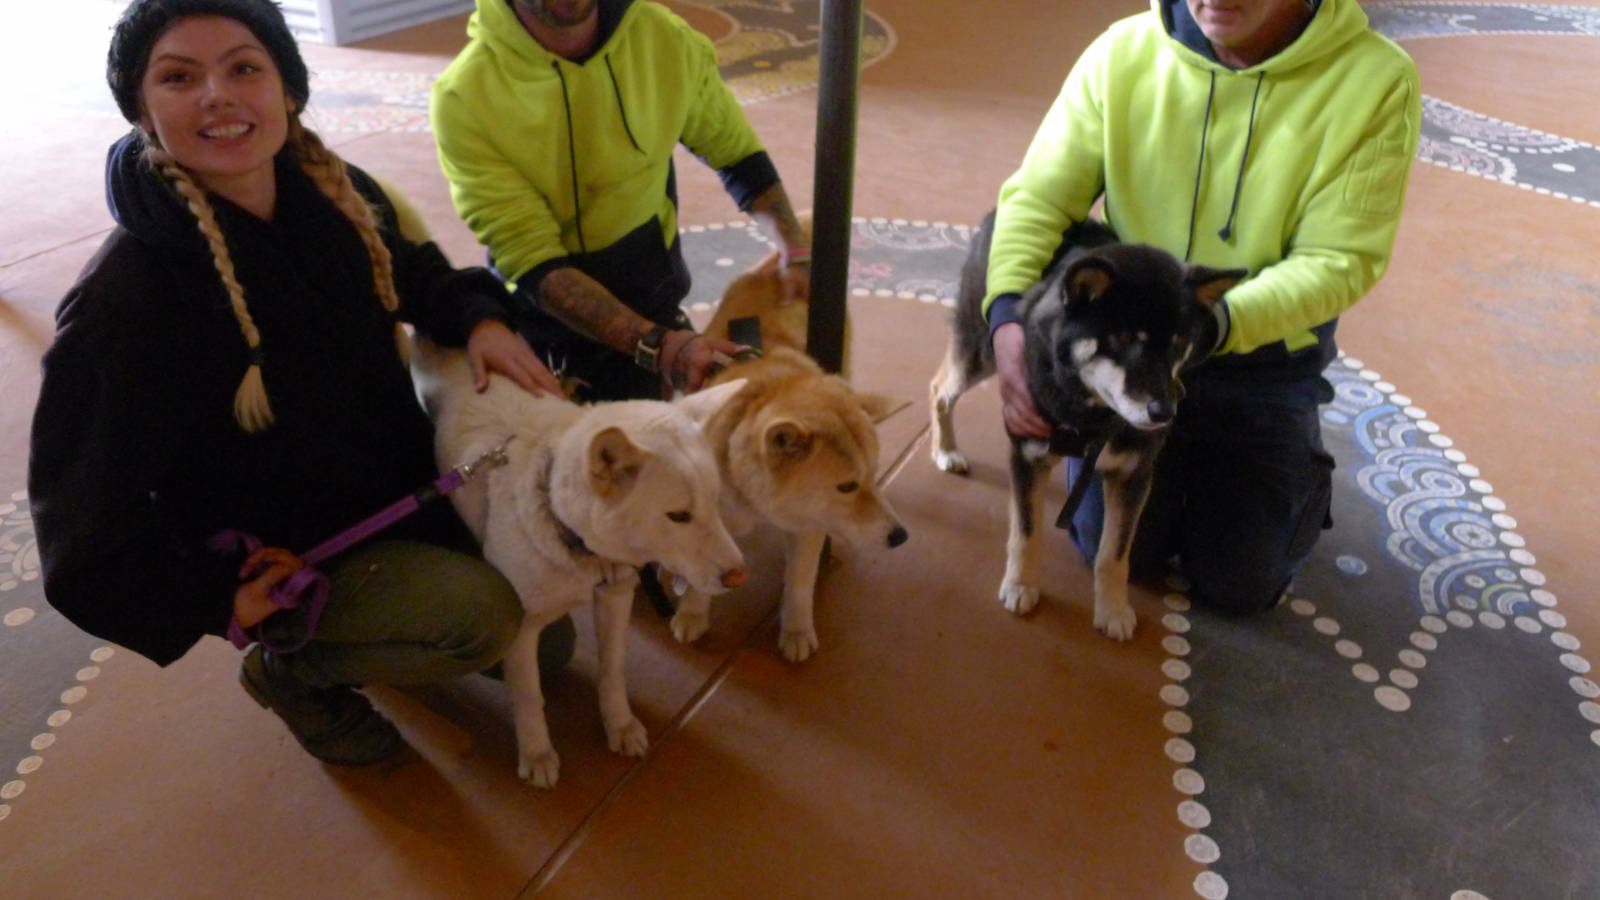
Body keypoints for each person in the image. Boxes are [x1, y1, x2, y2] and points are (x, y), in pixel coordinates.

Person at [28, 0, 576, 767]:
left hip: (401, 493)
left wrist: (481, 319)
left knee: (549, 644)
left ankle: (383, 624)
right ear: (143, 112)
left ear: (288, 90)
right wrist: (215, 595)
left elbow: (415, 273)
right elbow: (80, 532)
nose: (218, 94)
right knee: (479, 621)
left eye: (244, 67)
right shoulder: (126, 303)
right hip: (297, 551)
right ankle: (295, 672)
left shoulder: (331, 188)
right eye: (180, 77)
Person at [985, 0, 1421, 614]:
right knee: (1106, 546)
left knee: (1243, 583)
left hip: (1260, 361)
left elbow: (1339, 259)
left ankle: (1296, 463)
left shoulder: (1375, 80)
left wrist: (1212, 325)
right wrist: (1005, 317)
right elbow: (1038, 197)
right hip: (1133, 348)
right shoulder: (1122, 52)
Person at [430, 0, 811, 402]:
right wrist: (659, 347)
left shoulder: (662, 37)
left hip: (656, 302)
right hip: (545, 335)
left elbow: (736, 153)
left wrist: (795, 249)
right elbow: (534, 260)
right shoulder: (465, 96)